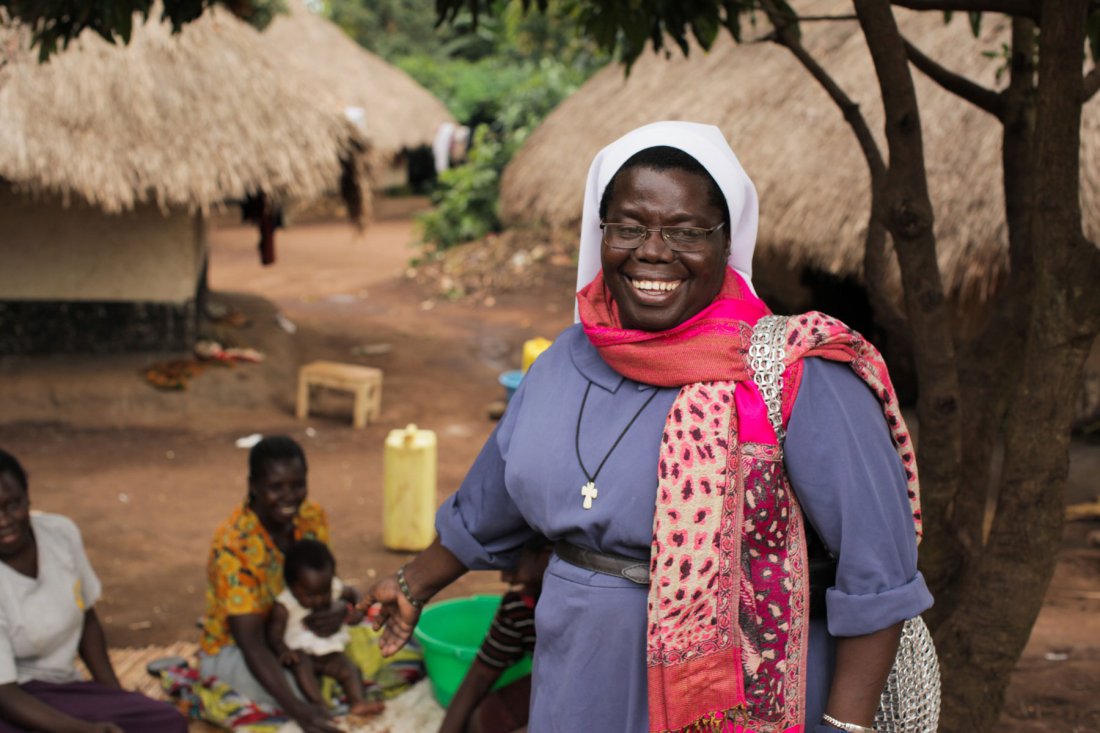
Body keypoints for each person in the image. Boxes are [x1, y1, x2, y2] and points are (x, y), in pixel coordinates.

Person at [364, 121, 932, 733]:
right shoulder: (562, 364)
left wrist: (845, 727)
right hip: (577, 681)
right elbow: (492, 503)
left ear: (726, 241)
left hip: (744, 700)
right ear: (601, 233)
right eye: (630, 227)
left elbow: (879, 575)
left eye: (686, 231)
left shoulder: (795, 374)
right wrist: (411, 583)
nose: (654, 251)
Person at [0, 449, 188, 733]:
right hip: (12, 699)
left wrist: (116, 695)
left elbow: (87, 618)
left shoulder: (60, 534)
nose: (4, 520)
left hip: (63, 690)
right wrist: (83, 730)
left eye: (12, 504)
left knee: (166, 721)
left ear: (28, 498)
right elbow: (5, 693)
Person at [199, 435, 347, 733]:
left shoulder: (311, 516)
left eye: (298, 485)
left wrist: (338, 609)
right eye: (276, 487)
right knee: (301, 688)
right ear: (253, 485)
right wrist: (299, 711)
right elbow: (251, 642)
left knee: (375, 647)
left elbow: (326, 584)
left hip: (298, 634)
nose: (289, 497)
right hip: (238, 649)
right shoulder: (233, 544)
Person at [438, 538, 551, 733]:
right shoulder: (520, 607)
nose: (504, 578)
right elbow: (478, 678)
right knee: (481, 721)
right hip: (550, 687)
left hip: (594, 700)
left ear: (547, 555)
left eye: (511, 563)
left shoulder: (583, 614)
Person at [265, 539, 383, 717]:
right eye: (310, 595)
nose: (319, 600)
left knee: (350, 669)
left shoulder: (334, 586)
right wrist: (283, 651)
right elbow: (274, 635)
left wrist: (359, 611)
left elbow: (354, 594)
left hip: (330, 653)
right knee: (302, 669)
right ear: (292, 586)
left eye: (324, 592)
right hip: (302, 655)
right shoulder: (284, 605)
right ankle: (320, 706)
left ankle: (358, 702)